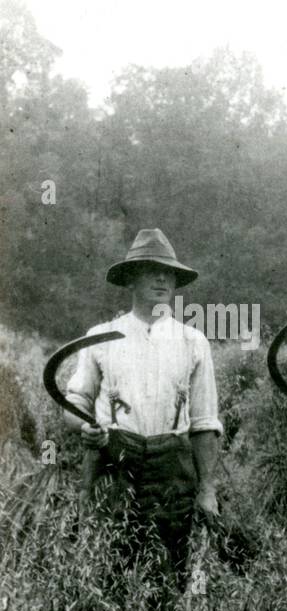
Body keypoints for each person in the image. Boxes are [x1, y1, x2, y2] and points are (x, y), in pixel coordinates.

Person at [65, 228, 222, 587]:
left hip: (173, 470)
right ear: (131, 279)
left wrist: (207, 489)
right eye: (152, 270)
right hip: (115, 465)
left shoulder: (192, 341)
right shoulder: (101, 336)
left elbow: (204, 423)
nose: (162, 278)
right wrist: (83, 426)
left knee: (169, 574)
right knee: (109, 573)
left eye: (168, 272)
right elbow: (75, 401)